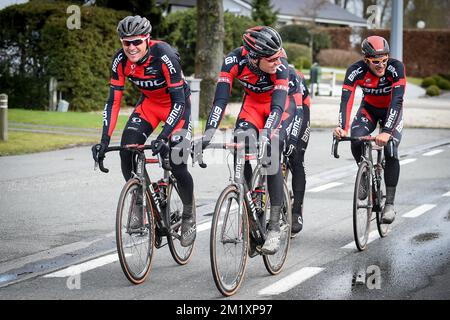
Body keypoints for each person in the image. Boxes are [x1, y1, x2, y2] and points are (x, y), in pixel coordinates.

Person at [91, 15, 195, 247]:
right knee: (127, 150)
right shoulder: (120, 60)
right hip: (149, 106)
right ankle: (140, 199)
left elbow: (179, 102)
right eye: (126, 42)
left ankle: (188, 214)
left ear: (147, 39)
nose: (131, 47)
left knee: (178, 165)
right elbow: (113, 102)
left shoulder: (165, 56)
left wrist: (164, 135)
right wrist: (104, 140)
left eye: (136, 41)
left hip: (176, 108)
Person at [200, 26, 302, 254]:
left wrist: (266, 134)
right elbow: (220, 101)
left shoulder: (281, 66)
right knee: (239, 143)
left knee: (270, 151)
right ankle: (251, 210)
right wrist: (208, 134)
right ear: (254, 58)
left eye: (279, 55)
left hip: (278, 108)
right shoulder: (233, 61)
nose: (279, 60)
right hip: (253, 107)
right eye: (272, 58)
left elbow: (277, 105)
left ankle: (274, 226)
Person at [334, 35, 406, 224]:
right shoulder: (355, 70)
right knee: (357, 139)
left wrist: (387, 131)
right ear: (366, 60)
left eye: (384, 60)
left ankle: (389, 204)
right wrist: (342, 127)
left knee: (391, 150)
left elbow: (398, 100)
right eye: (376, 62)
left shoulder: (396, 68)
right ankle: (365, 174)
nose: (381, 65)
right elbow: (346, 100)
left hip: (392, 111)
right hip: (369, 110)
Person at [284, 68, 311, 236]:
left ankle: (296, 211)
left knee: (296, 156)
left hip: (300, 111)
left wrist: (292, 140)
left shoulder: (292, 77)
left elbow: (298, 113)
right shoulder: (258, 78)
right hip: (276, 109)